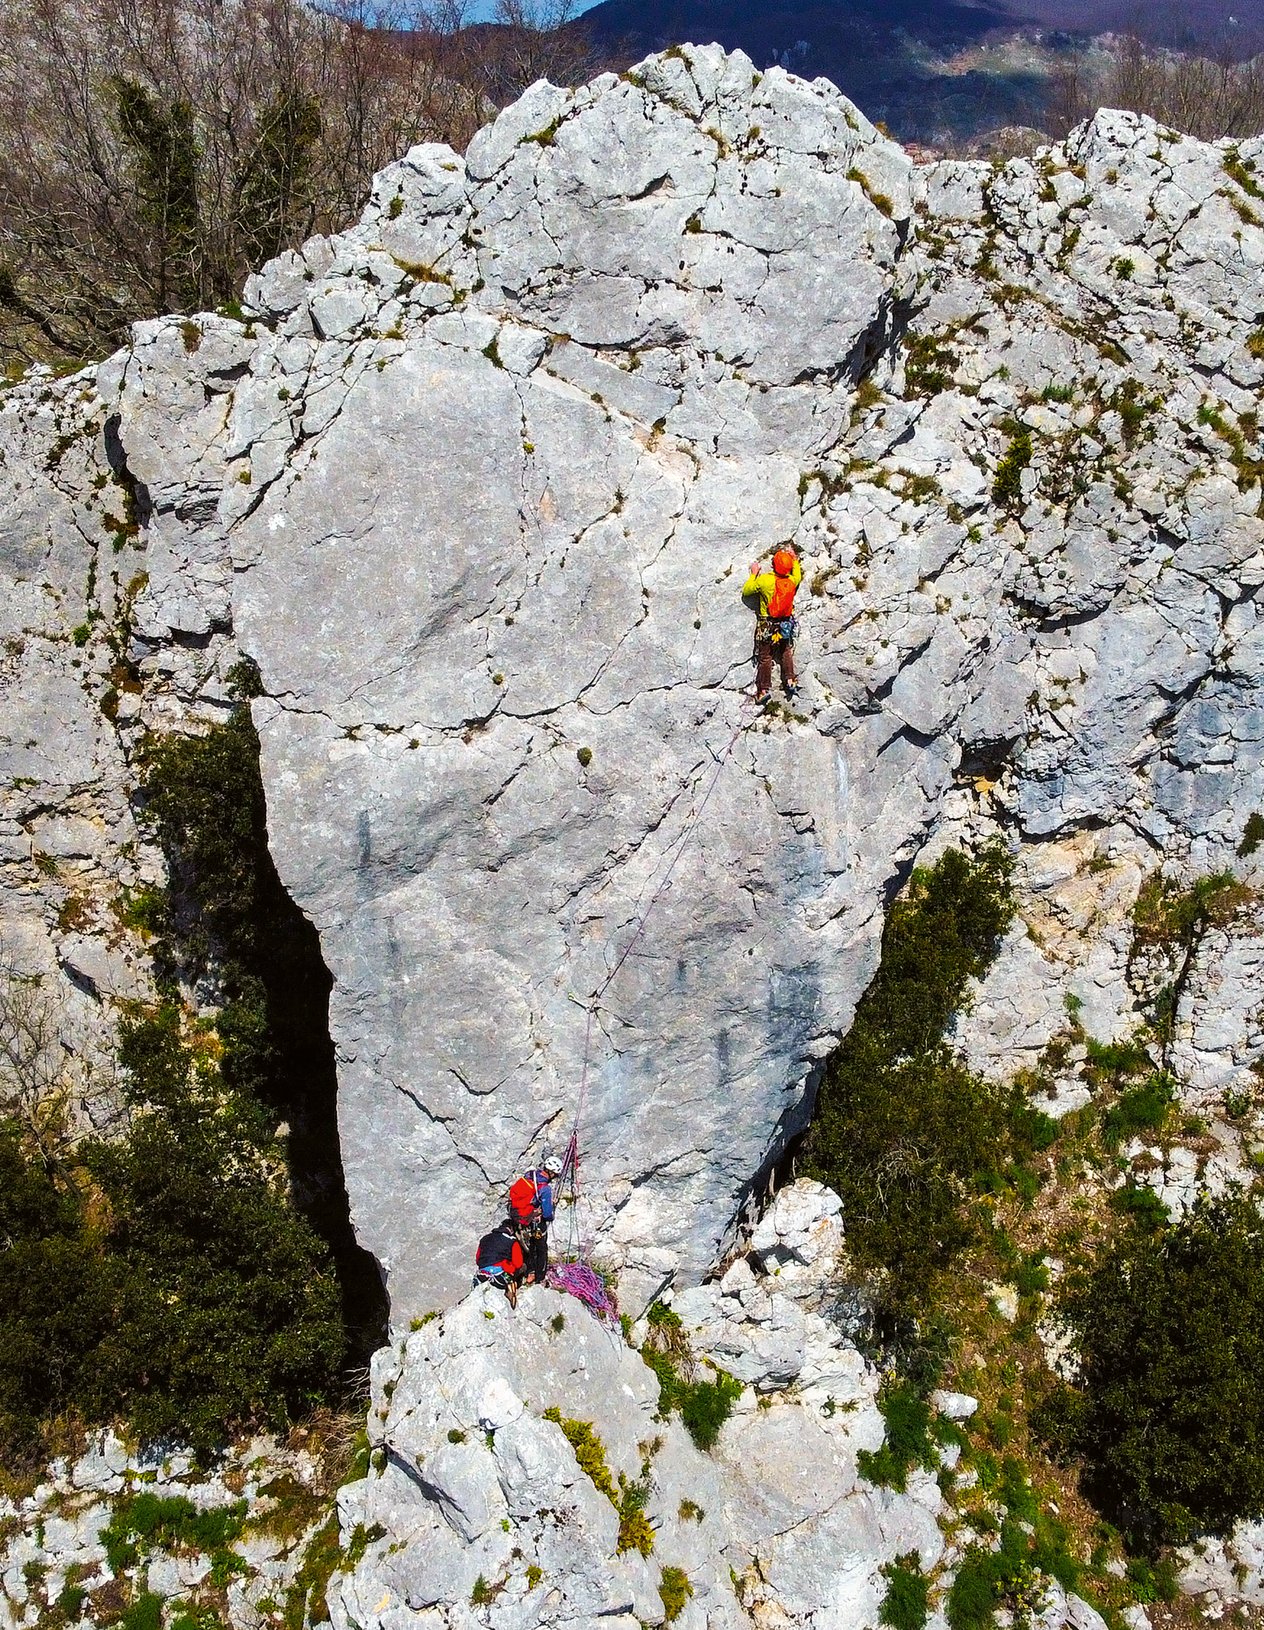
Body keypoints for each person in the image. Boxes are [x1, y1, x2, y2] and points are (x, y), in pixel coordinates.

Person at [741, 544, 802, 703]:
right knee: (785, 650)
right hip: (785, 624)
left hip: (766, 623)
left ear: (773, 565)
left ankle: (763, 690)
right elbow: (798, 575)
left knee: (765, 657)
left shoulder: (765, 580)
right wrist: (794, 559)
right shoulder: (791, 581)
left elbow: (747, 591)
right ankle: (790, 680)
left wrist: (754, 573)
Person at [508, 1163, 555, 1284]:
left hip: (521, 1217)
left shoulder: (530, 1176)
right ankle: (540, 1277)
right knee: (541, 1249)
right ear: (552, 1173)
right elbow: (547, 1214)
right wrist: (551, 1212)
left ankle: (530, 1272)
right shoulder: (545, 1188)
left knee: (529, 1247)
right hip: (535, 1221)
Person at [474, 1218, 526, 1307]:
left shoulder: (485, 1238)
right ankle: (511, 1284)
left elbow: (478, 1259)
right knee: (522, 1267)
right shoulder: (512, 1241)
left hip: (482, 1273)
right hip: (500, 1275)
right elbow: (518, 1263)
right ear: (511, 1230)